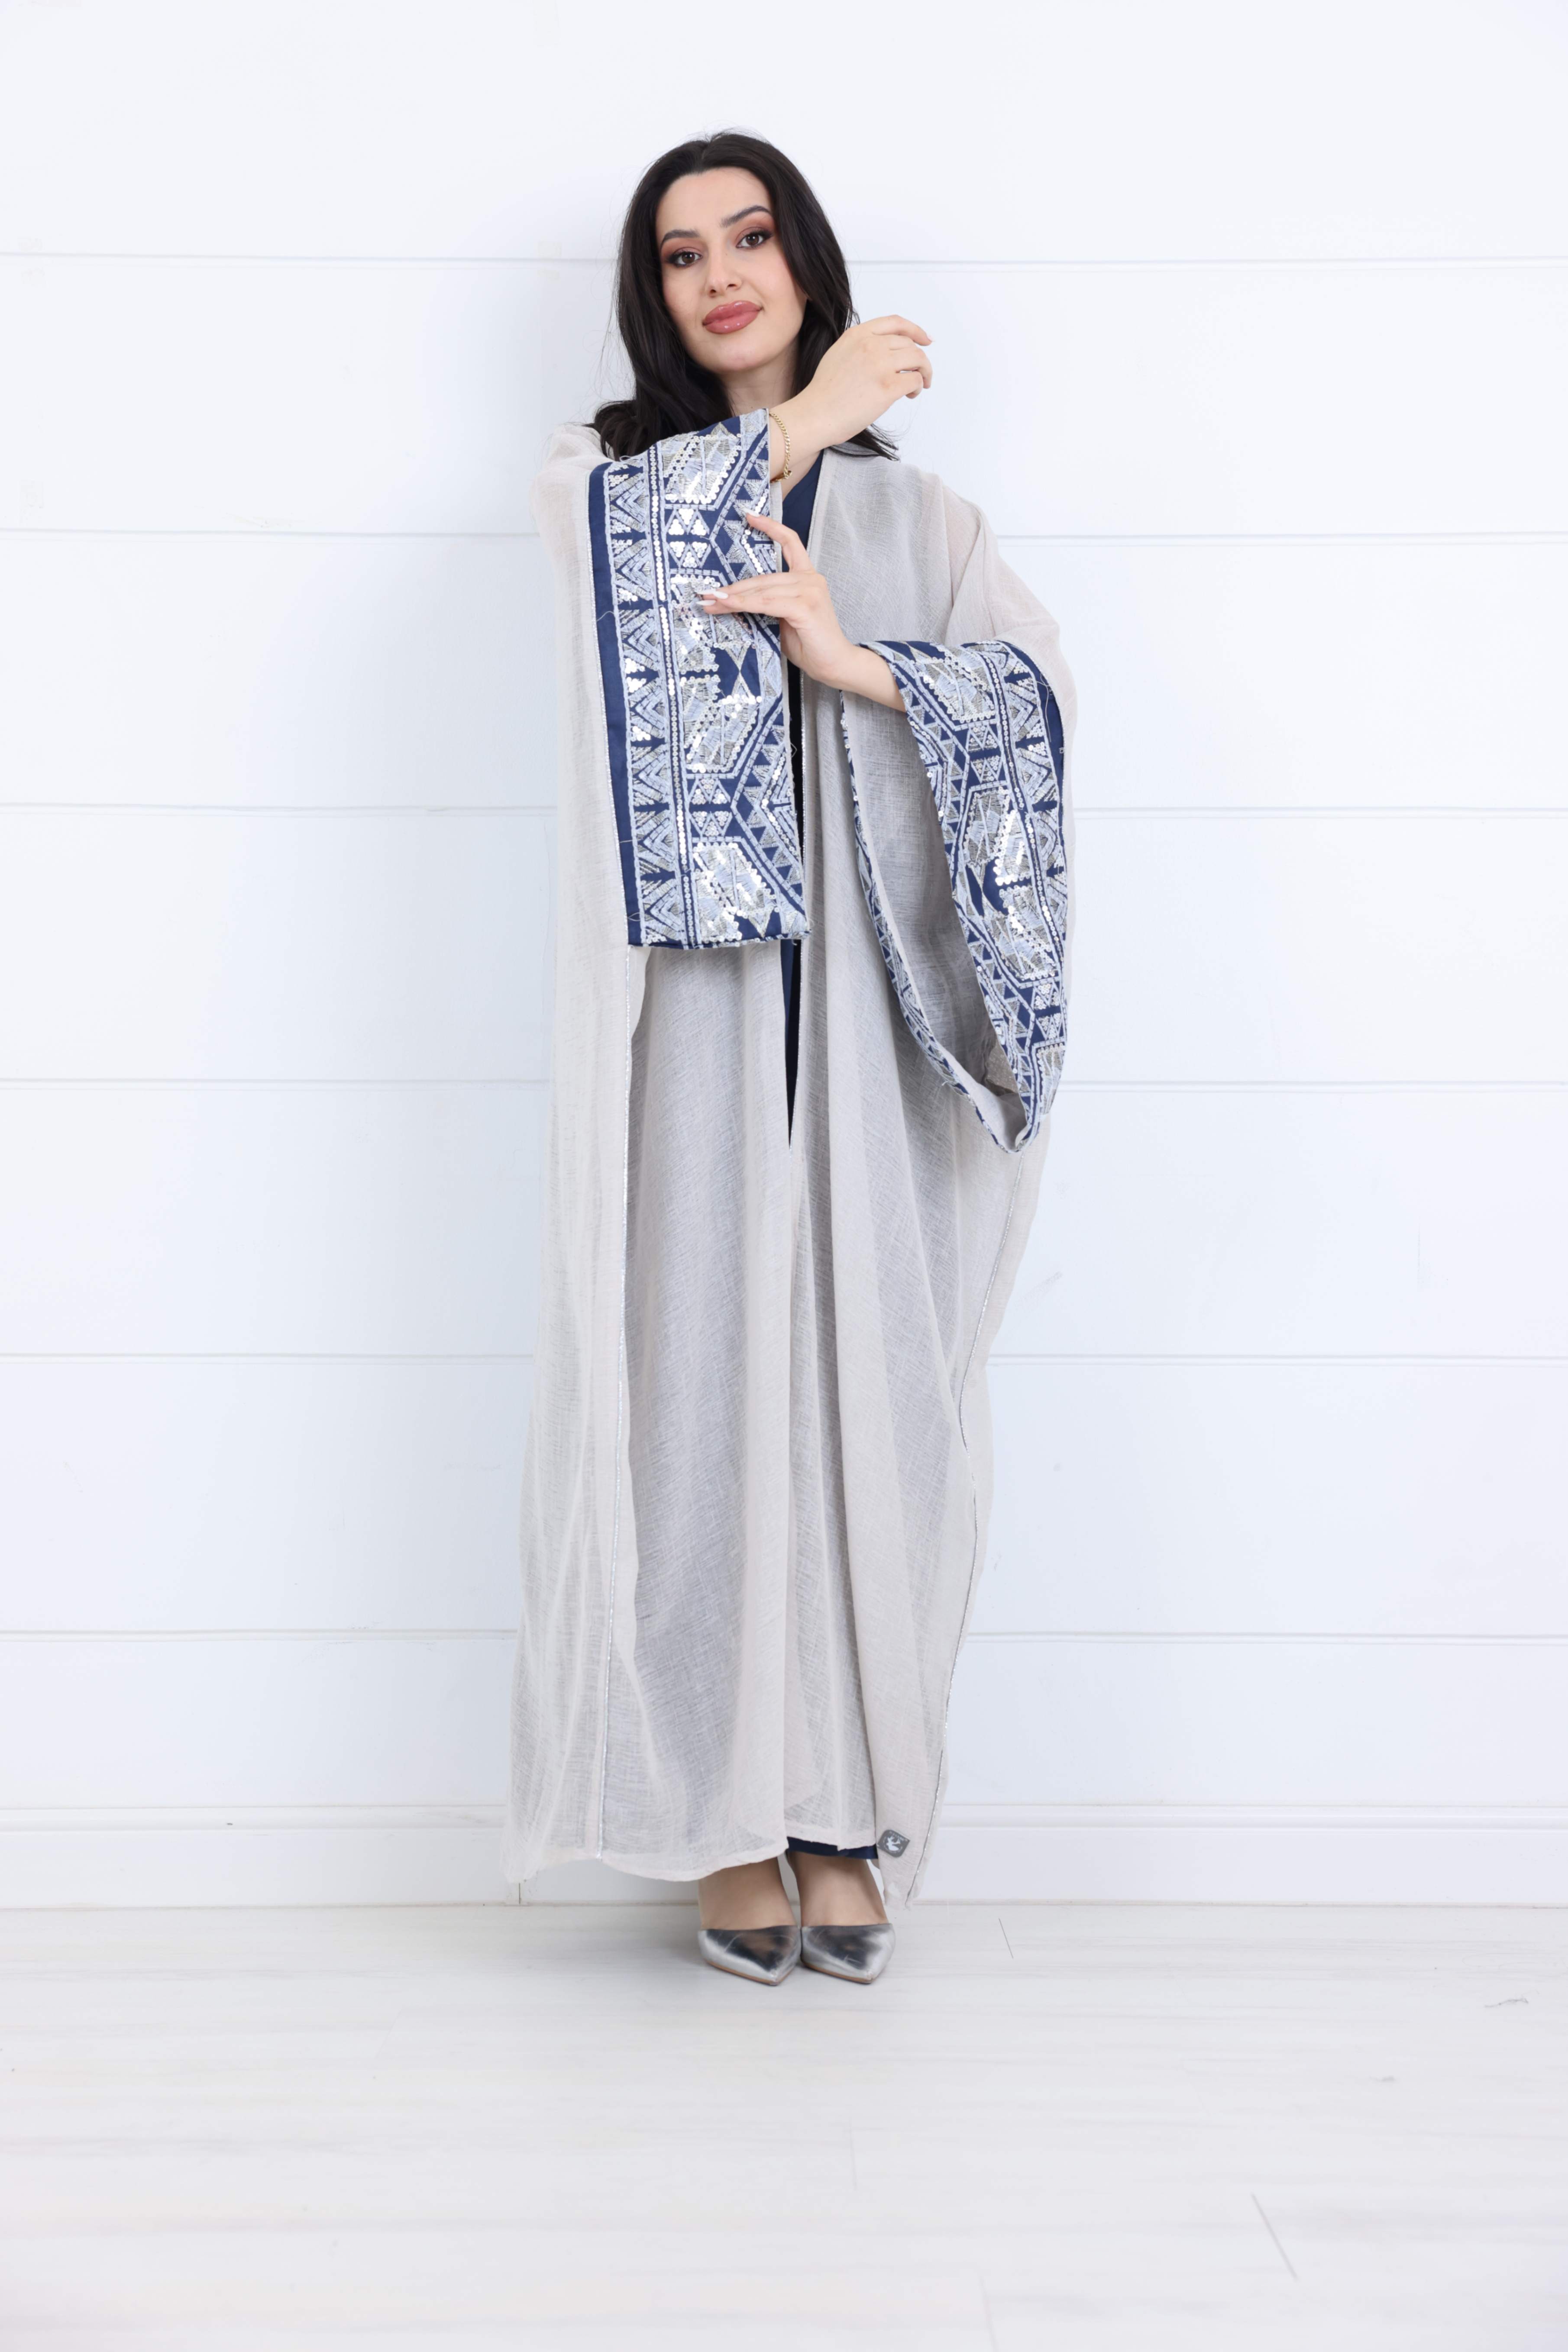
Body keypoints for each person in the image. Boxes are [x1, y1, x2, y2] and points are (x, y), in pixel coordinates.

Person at [503, 131, 1075, 1987]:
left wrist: (860, 664)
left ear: (807, 258)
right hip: (696, 1025)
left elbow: (1033, 710)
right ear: (654, 298)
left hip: (875, 1027)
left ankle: (843, 1807)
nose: (723, 274)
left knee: (867, 1415)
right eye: (683, 255)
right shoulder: (606, 485)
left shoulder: (927, 524)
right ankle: (723, 1816)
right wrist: (809, 420)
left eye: (751, 236)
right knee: (699, 1395)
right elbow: (633, 595)